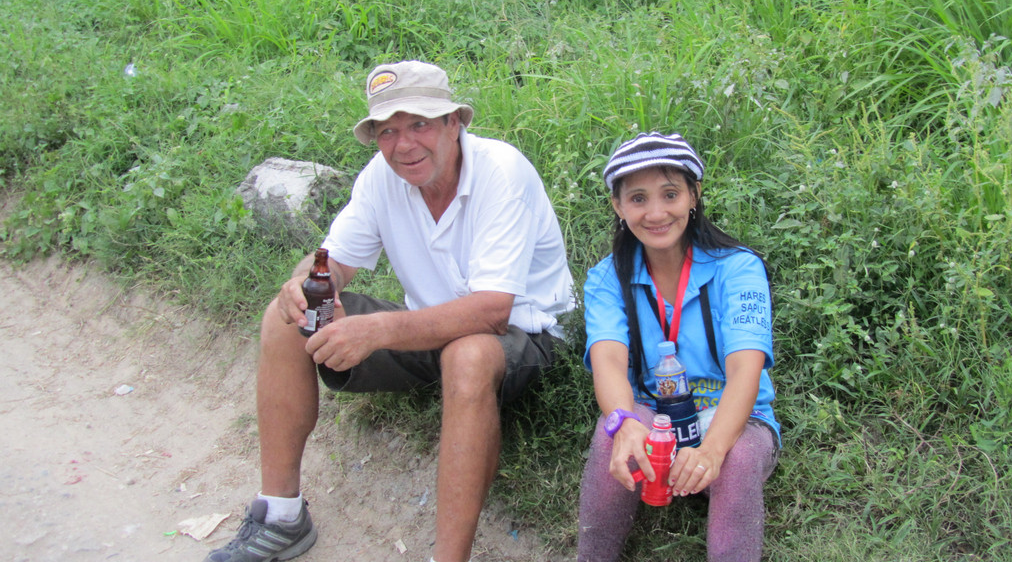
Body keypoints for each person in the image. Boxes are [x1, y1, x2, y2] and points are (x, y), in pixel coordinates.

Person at [205, 60, 575, 562]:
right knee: (285, 318)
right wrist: (303, 284)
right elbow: (332, 261)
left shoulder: (501, 172)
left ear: (453, 123)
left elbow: (493, 311)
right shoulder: (381, 177)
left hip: (528, 336)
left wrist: (378, 329)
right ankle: (281, 514)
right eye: (387, 131)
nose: (404, 145)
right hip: (432, 332)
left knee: (467, 355)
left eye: (419, 124)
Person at [576, 132, 780, 562]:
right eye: (637, 198)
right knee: (613, 430)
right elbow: (608, 360)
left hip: (735, 421)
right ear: (618, 206)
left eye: (670, 194)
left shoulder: (740, 268)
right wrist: (624, 423)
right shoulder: (606, 279)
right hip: (656, 419)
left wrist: (712, 449)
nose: (656, 213)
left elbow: (746, 371)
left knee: (740, 458)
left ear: (694, 195)